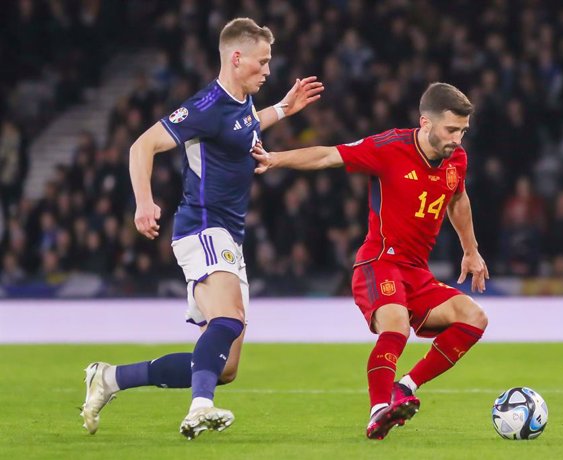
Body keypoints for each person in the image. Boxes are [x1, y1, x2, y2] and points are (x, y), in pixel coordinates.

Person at [80, 18, 323, 440]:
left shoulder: (241, 101)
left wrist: (283, 109)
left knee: (224, 366)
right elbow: (143, 145)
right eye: (262, 62)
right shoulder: (205, 106)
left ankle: (110, 378)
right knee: (228, 319)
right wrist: (143, 201)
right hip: (203, 226)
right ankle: (199, 408)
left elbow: (242, 128)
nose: (268, 71)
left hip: (229, 233)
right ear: (236, 58)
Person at [251, 82, 489, 440]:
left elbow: (458, 199)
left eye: (463, 131)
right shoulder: (390, 147)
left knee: (474, 317)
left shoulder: (457, 159)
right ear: (425, 123)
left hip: (417, 271)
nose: (458, 139)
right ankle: (378, 410)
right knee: (396, 326)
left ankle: (404, 389)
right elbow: (329, 155)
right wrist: (275, 158)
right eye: (451, 130)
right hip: (379, 261)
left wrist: (470, 250)